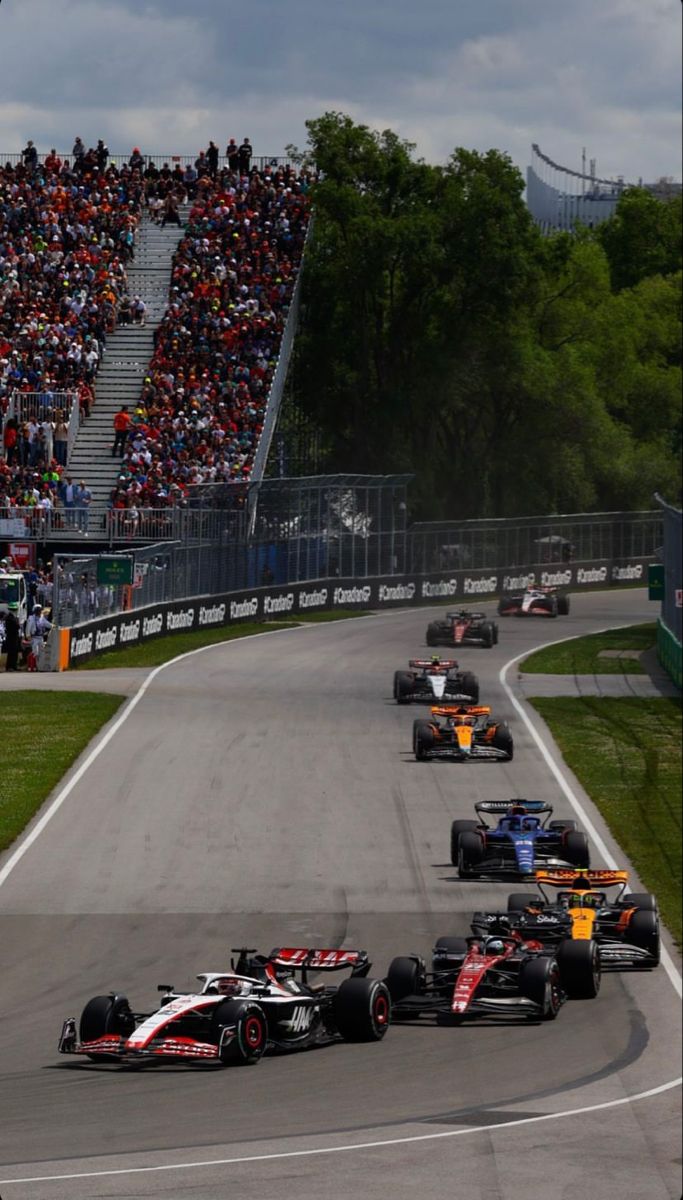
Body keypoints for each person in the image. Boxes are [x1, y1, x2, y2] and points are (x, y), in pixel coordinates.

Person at [25, 603, 51, 671]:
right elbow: (28, 627)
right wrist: (28, 635)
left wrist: (53, 626)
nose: (40, 612)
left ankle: (39, 666)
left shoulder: (42, 617)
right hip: (34, 638)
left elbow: (47, 624)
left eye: (40, 610)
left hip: (41, 638)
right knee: (35, 652)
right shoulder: (31, 618)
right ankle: (31, 667)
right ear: (35, 611)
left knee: (41, 652)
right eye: (39, 610)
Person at [4, 603, 21, 671]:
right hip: (11, 637)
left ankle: (14, 666)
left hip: (15, 637)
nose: (15, 610)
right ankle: (9, 667)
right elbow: (17, 626)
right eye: (14, 609)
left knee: (15, 652)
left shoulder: (14, 617)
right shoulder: (9, 617)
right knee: (11, 652)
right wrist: (18, 624)